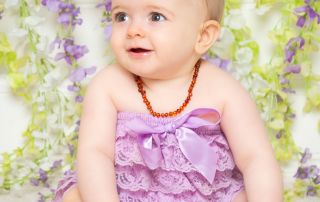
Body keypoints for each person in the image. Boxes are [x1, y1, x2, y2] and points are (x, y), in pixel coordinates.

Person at [53, 0, 283, 201]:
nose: (133, 30)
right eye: (121, 16)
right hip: (124, 193)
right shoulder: (108, 85)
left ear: (202, 36)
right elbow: (95, 152)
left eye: (156, 16)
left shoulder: (223, 90)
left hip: (209, 194)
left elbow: (255, 158)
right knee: (76, 195)